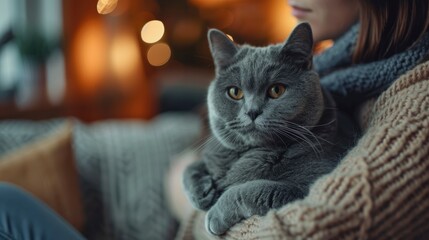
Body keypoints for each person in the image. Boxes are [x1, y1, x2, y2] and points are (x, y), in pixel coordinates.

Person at [1, 0, 428, 239]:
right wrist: (192, 175)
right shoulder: (344, 72)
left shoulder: (415, 100)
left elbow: (314, 227)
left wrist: (191, 205)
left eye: (276, 91)